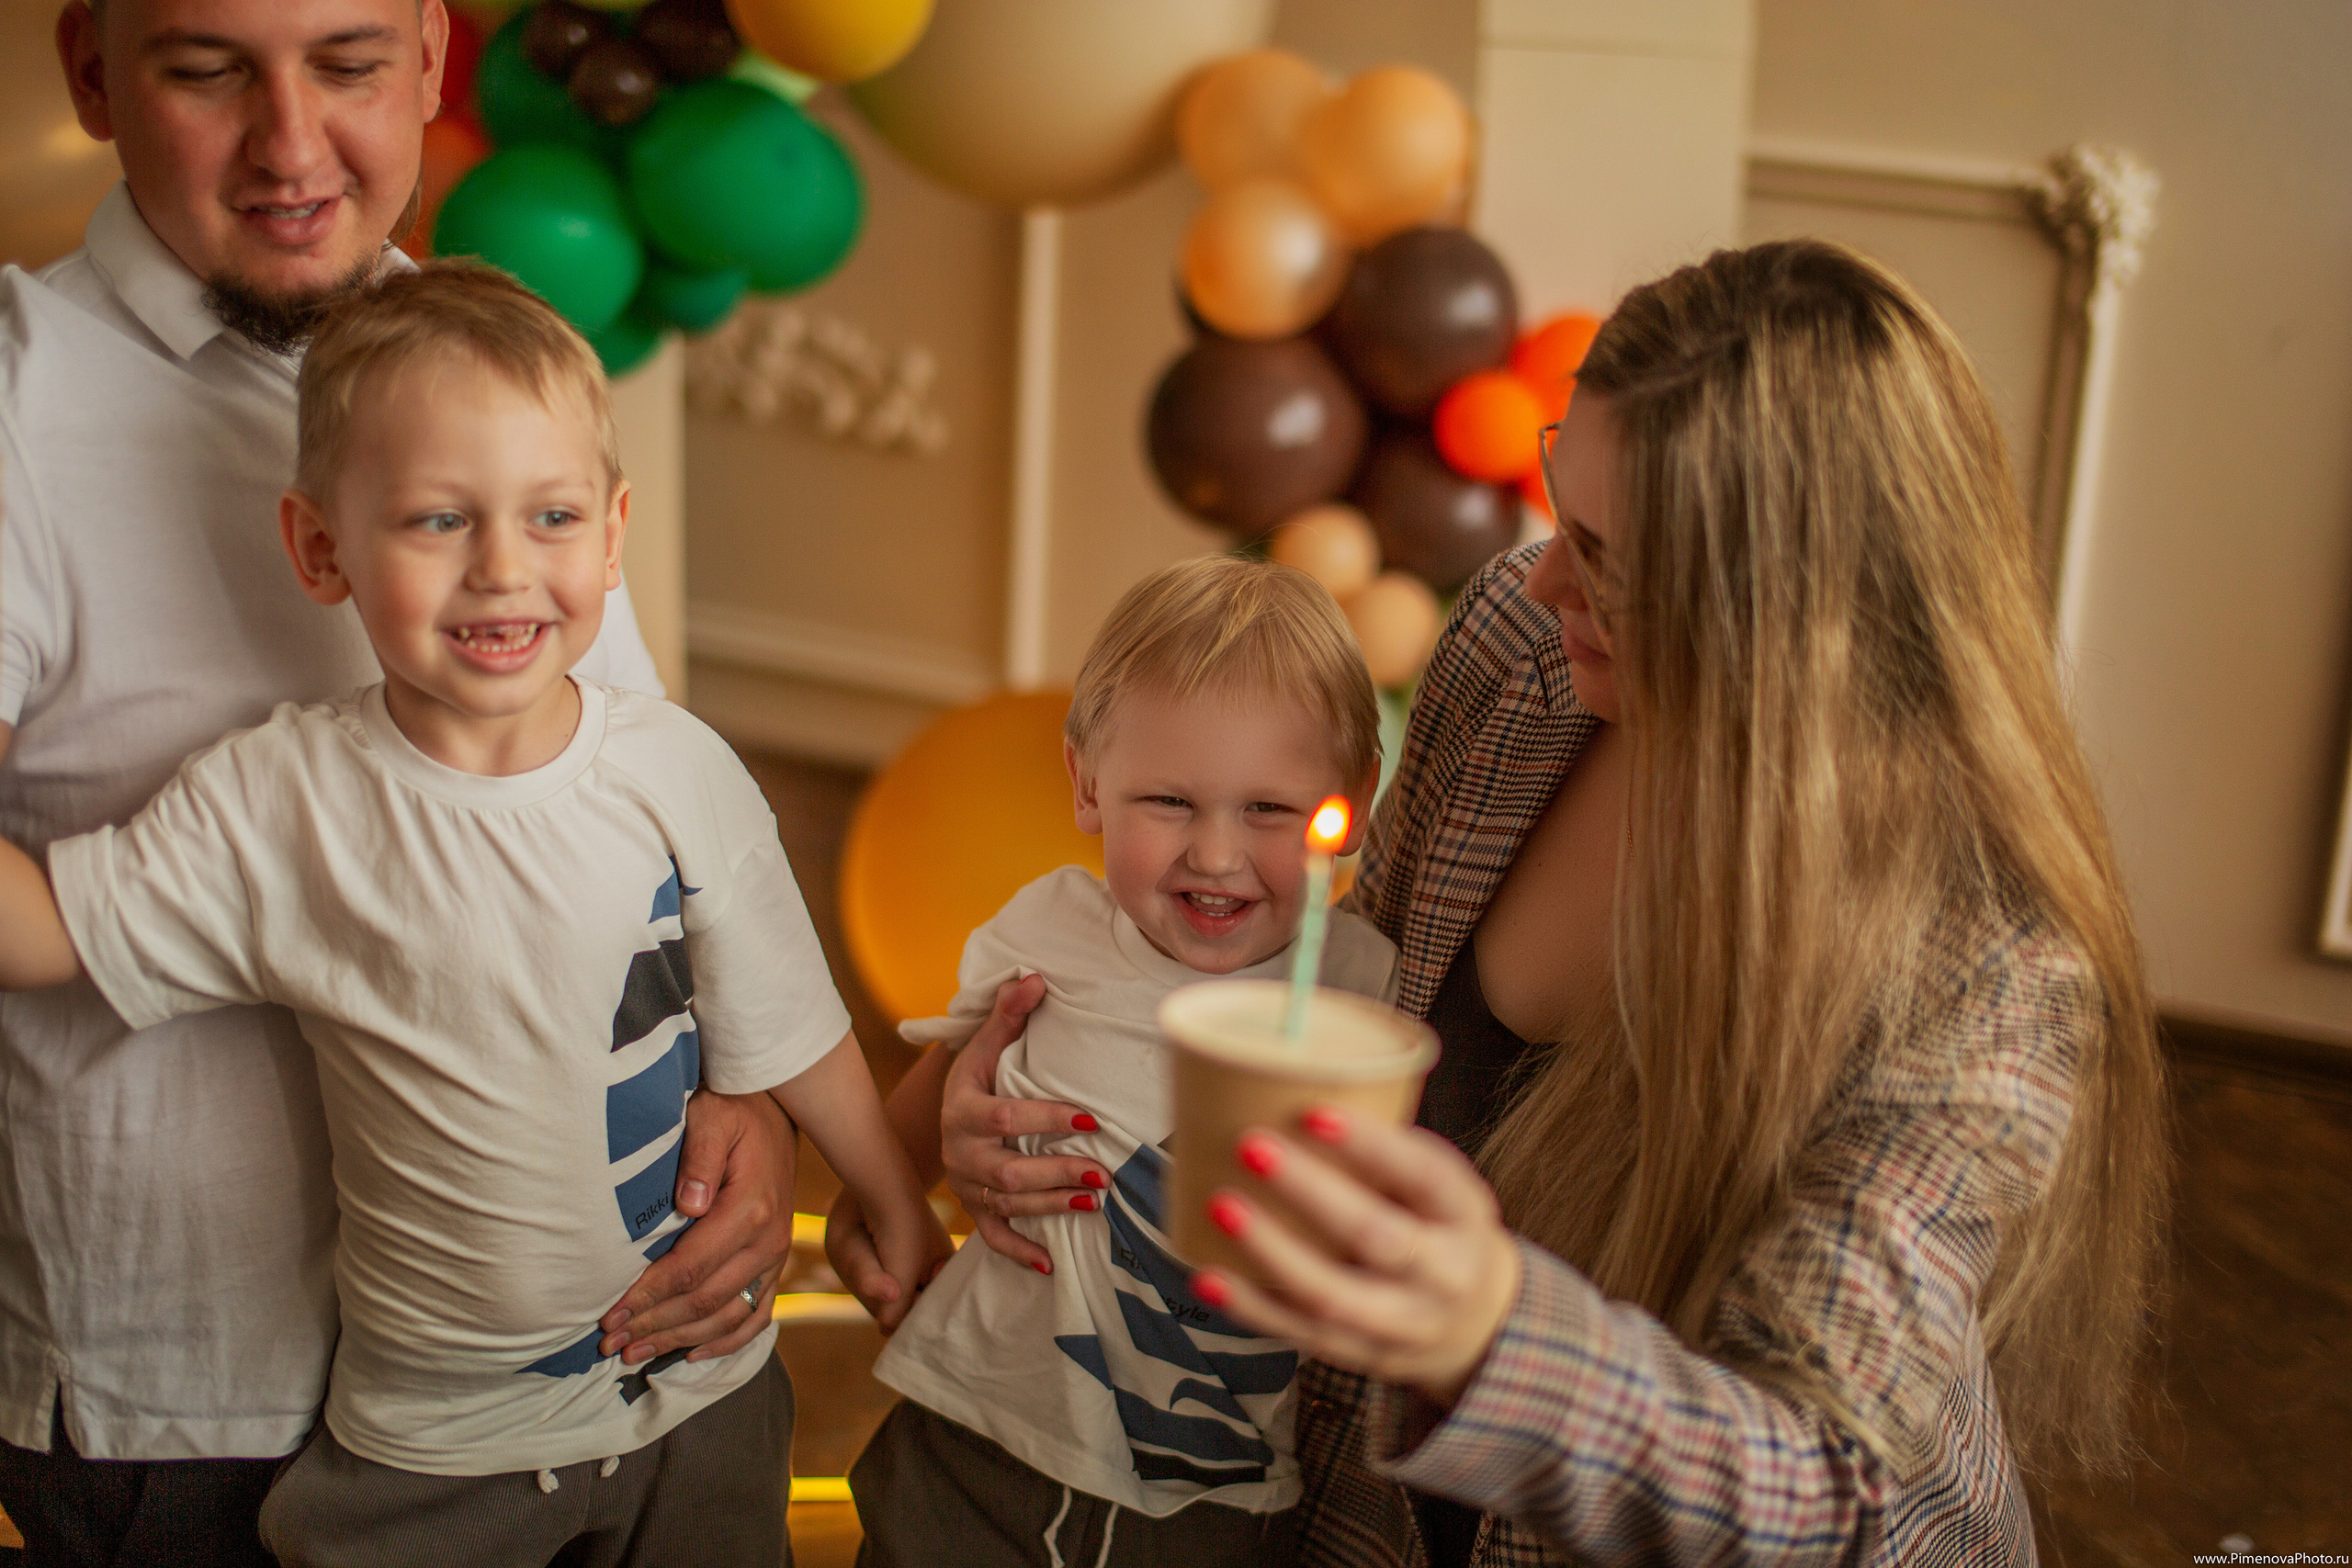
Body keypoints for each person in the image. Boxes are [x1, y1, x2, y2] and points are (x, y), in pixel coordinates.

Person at [871, 241, 2170, 1564]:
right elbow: (1337, 990)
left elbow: (1824, 1487)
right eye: (1561, 510)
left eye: (1606, 556)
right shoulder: (1519, 654)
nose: (1541, 578)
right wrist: (1046, 1111)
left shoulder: (1977, 973)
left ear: (1783, 618)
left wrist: (1486, 1333)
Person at [0, 4, 798, 1560]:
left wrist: (752, 1106)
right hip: (202, 1401)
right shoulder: (22, 406)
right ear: (92, 74)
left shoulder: (501, 368)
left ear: (435, 60)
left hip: (586, 1367)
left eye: (352, 65)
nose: (294, 146)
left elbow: (629, 810)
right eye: (208, 68)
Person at [834, 556, 1401, 1568]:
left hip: (1210, 1493)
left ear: (1352, 799)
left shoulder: (1369, 992)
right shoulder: (1049, 933)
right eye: (1170, 803)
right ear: (1087, 783)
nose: (1216, 855)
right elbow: (918, 1123)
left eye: (1268, 810)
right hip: (978, 1446)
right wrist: (876, 1213)